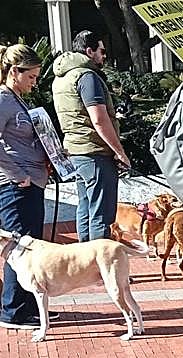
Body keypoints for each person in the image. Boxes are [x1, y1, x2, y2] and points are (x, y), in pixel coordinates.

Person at [52, 30, 130, 241]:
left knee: (85, 209)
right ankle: (101, 269)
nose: (104, 56)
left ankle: (86, 267)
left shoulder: (61, 78)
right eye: (102, 51)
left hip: (76, 151)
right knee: (101, 216)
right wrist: (119, 152)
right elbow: (99, 119)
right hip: (95, 153)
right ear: (89, 51)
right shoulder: (87, 76)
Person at [0, 44, 51, 329]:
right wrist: (17, 173)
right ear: (14, 72)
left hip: (31, 180)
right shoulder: (3, 100)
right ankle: (13, 310)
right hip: (15, 184)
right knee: (18, 246)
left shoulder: (17, 99)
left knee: (30, 244)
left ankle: (31, 306)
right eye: (30, 76)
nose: (34, 82)